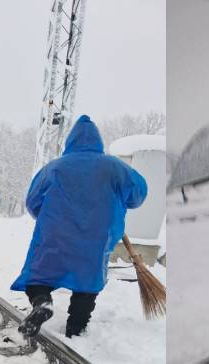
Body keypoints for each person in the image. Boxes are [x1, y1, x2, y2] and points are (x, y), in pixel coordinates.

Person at [11, 115, 147, 338]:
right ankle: (76, 330)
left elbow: (33, 201)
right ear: (98, 141)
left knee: (39, 275)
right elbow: (138, 194)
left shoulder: (54, 167)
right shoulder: (115, 167)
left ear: (70, 142)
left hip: (55, 234)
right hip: (97, 236)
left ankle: (42, 302)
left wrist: (46, 218)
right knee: (87, 282)